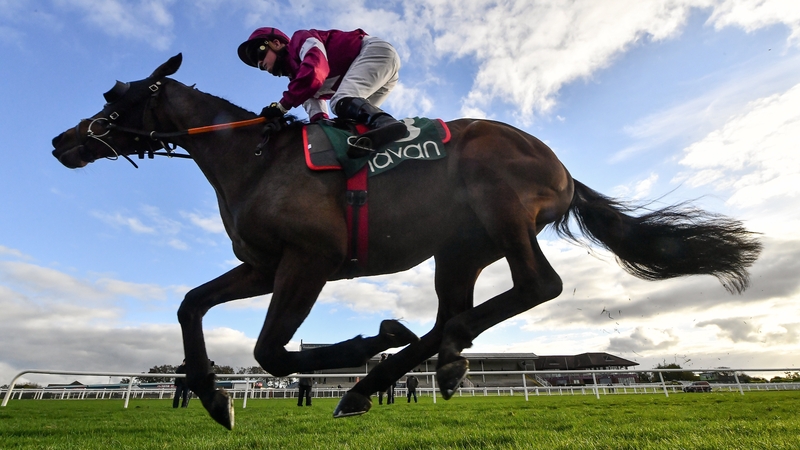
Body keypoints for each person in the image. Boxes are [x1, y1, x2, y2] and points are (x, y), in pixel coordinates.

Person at [237, 26, 407, 156]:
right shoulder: (298, 81)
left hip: (374, 52)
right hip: (383, 70)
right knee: (346, 124)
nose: (260, 64)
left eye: (259, 54)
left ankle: (388, 124)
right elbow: (318, 117)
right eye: (256, 64)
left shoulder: (300, 39)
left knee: (340, 101)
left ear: (276, 43)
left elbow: (316, 70)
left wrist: (281, 107)